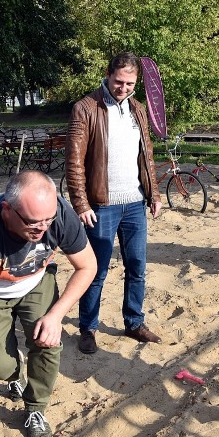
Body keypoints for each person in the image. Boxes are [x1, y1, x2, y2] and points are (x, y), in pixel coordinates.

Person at [0, 171, 97, 437]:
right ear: (7, 210)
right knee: (0, 366)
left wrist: (56, 315)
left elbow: (88, 266)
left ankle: (35, 408)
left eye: (48, 219)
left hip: (36, 283)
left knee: (48, 342)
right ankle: (14, 375)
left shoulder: (59, 212)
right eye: (32, 222)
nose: (42, 229)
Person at [65, 51, 163, 354]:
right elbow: (74, 161)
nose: (124, 88)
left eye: (130, 83)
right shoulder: (85, 108)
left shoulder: (138, 109)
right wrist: (81, 204)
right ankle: (88, 328)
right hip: (101, 205)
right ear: (108, 75)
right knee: (96, 269)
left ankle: (133, 322)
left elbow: (146, 156)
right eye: (119, 81)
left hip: (135, 203)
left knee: (137, 267)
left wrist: (155, 194)